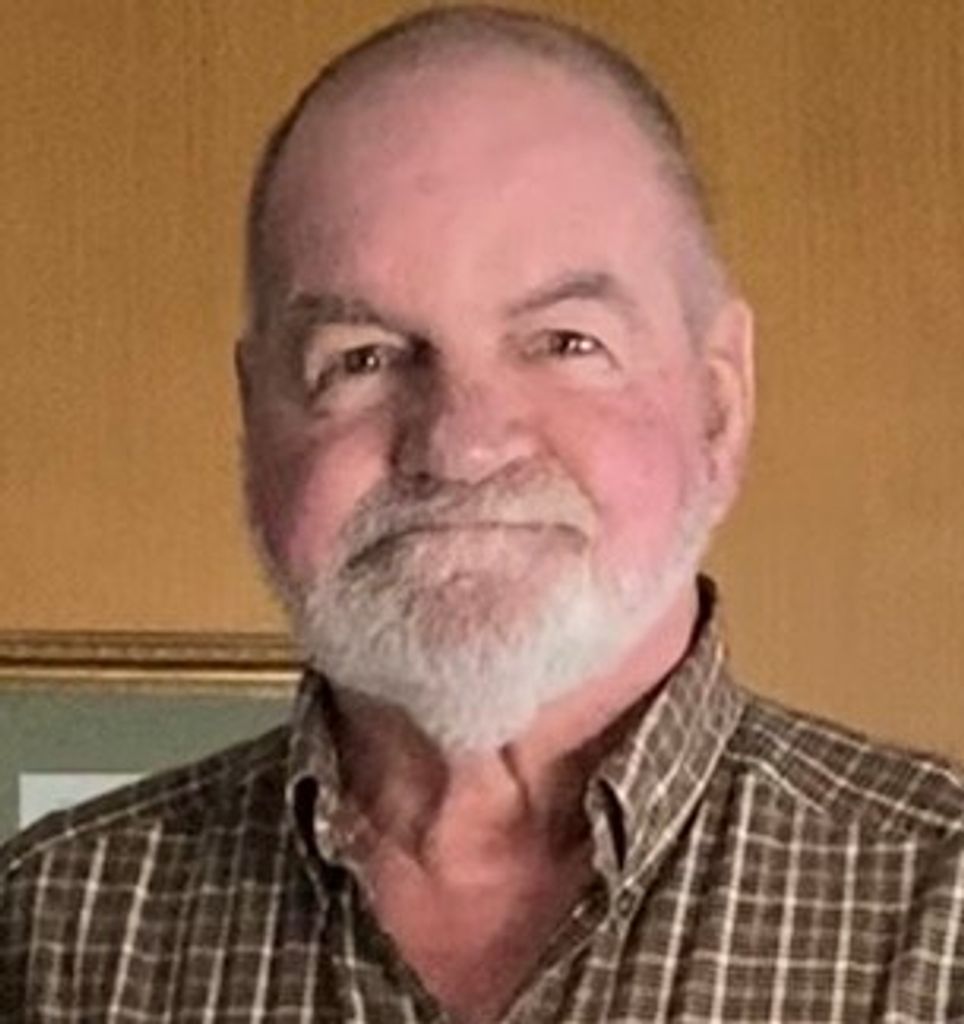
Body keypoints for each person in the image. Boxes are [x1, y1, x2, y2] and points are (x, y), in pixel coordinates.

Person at [2, 6, 962, 1022]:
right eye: (361, 358)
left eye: (564, 342)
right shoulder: (49, 929)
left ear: (718, 404)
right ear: (255, 421)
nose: (459, 446)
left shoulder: (943, 919)